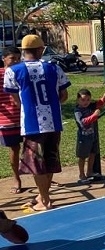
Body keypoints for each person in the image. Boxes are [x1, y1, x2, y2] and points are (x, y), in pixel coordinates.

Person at [3, 34, 70, 212]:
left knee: (36, 164)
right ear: (40, 49)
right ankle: (43, 196)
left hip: (32, 123)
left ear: (23, 51)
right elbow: (64, 96)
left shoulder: (13, 71)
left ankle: (45, 200)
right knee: (50, 161)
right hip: (54, 122)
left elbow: (16, 100)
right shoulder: (54, 68)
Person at [0, 47, 24, 194]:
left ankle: (40, 176)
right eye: (12, 58)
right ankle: (16, 178)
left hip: (26, 117)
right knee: (14, 149)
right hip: (8, 119)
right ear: (4, 59)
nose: (15, 61)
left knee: (33, 149)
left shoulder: (21, 73)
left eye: (17, 58)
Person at [74, 89, 105, 184]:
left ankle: (89, 172)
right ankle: (82, 175)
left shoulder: (90, 106)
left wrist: (103, 100)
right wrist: (94, 115)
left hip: (92, 135)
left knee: (93, 153)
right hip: (83, 137)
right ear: (78, 100)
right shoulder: (78, 111)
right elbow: (82, 123)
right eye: (83, 100)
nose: (86, 102)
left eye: (88, 100)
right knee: (82, 156)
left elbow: (97, 104)